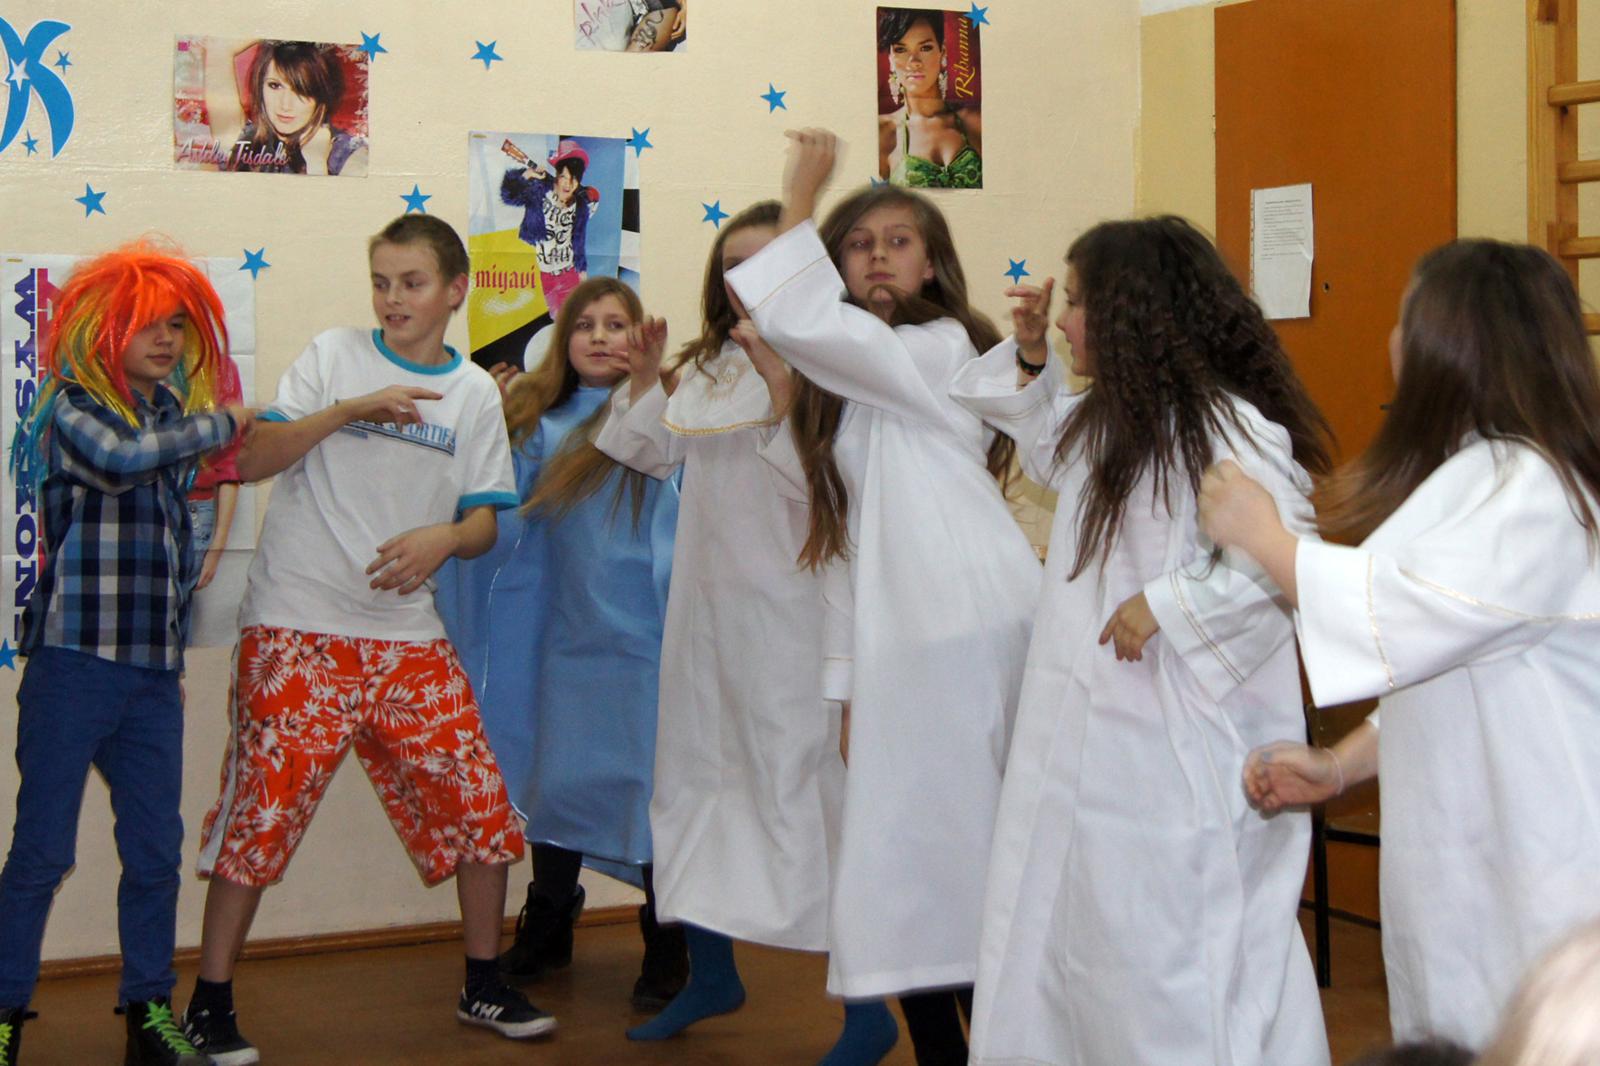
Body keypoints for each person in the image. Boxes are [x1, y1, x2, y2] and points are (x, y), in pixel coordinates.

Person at [949, 215, 1332, 1066]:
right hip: (1091, 746)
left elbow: (1282, 556)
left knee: (1173, 958)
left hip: (1176, 754)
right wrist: (1032, 360)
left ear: (1133, 316)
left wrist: (1170, 602)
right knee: (1082, 947)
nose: (1063, 319)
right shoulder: (1118, 419)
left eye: (1078, 303)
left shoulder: (1228, 427)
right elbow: (1050, 456)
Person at [1209, 240, 1600, 1049]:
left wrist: (1268, 541)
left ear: (1449, 342)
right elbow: (1438, 664)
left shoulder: (1530, 486)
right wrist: (1341, 766)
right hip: (1477, 855)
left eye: (1404, 319)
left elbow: (1399, 612)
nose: (1393, 339)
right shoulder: (1479, 473)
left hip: (1543, 859)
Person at [180, 215, 551, 1065]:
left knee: (482, 809)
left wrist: (443, 539)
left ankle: (483, 983)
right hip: (297, 625)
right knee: (261, 815)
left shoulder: (474, 393)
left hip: (406, 636)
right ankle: (209, 1002)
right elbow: (254, 457)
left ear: (455, 291)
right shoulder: (333, 355)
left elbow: (485, 521)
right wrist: (349, 408)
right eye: (381, 281)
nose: (392, 299)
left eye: (411, 283)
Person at [726, 130, 1039, 1066]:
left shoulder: (941, 348)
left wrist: (799, 190)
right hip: (907, 644)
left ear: (933, 263)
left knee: (946, 861)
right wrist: (851, 683)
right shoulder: (856, 388)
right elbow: (844, 543)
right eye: (858, 244)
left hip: (965, 630)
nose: (876, 257)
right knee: (907, 868)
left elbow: (802, 317)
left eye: (898, 242)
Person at [594, 201, 849, 1050]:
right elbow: (648, 452)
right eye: (732, 268)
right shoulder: (707, 368)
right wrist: (647, 377)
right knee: (695, 792)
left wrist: (783, 389)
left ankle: (868, 1008)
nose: (746, 283)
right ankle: (711, 974)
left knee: (810, 803)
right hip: (704, 625)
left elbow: (824, 488)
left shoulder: (835, 364)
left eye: (763, 263)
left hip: (794, 624)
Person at [0, 243, 251, 1066]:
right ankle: (4, 1012)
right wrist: (228, 422)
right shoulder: (72, 406)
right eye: (146, 323)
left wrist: (170, 665)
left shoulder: (170, 413)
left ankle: (148, 1013)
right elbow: (119, 463)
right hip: (73, 665)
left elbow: (172, 547)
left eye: (176, 324)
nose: (166, 339)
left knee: (155, 854)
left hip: (149, 677)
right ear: (105, 329)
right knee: (41, 854)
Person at [434, 276, 687, 1011]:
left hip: (646, 634)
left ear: (642, 337)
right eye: (586, 325)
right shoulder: (535, 423)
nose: (601, 337)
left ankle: (668, 939)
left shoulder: (670, 416)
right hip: (565, 633)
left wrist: (652, 389)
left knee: (649, 784)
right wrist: (488, 421)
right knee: (559, 775)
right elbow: (496, 510)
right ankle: (549, 917)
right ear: (562, 340)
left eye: (617, 324)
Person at [203, 39, 367, 176]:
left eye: (301, 90)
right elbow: (219, 47)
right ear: (260, 85)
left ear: (321, 95)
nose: (285, 105)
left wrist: (316, 165)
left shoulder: (350, 156)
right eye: (275, 86)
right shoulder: (243, 142)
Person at [876, 9, 982, 189]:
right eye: (901, 49)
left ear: (942, 52)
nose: (914, 61)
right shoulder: (884, 132)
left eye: (925, 48)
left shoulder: (975, 121)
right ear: (891, 59)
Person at [500, 139, 600, 319]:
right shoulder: (539, 191)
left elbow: (578, 242)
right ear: (557, 174)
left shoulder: (580, 206)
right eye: (564, 177)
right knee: (556, 319)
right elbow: (509, 196)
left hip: (569, 273)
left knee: (574, 319)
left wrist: (582, 275)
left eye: (574, 179)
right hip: (546, 275)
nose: (568, 184)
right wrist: (526, 175)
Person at [186, 353, 245, 594]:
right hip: (136, 506)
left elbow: (230, 463)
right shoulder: (131, 360)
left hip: (195, 509)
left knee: (177, 608)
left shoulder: (218, 368)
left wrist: (218, 545)